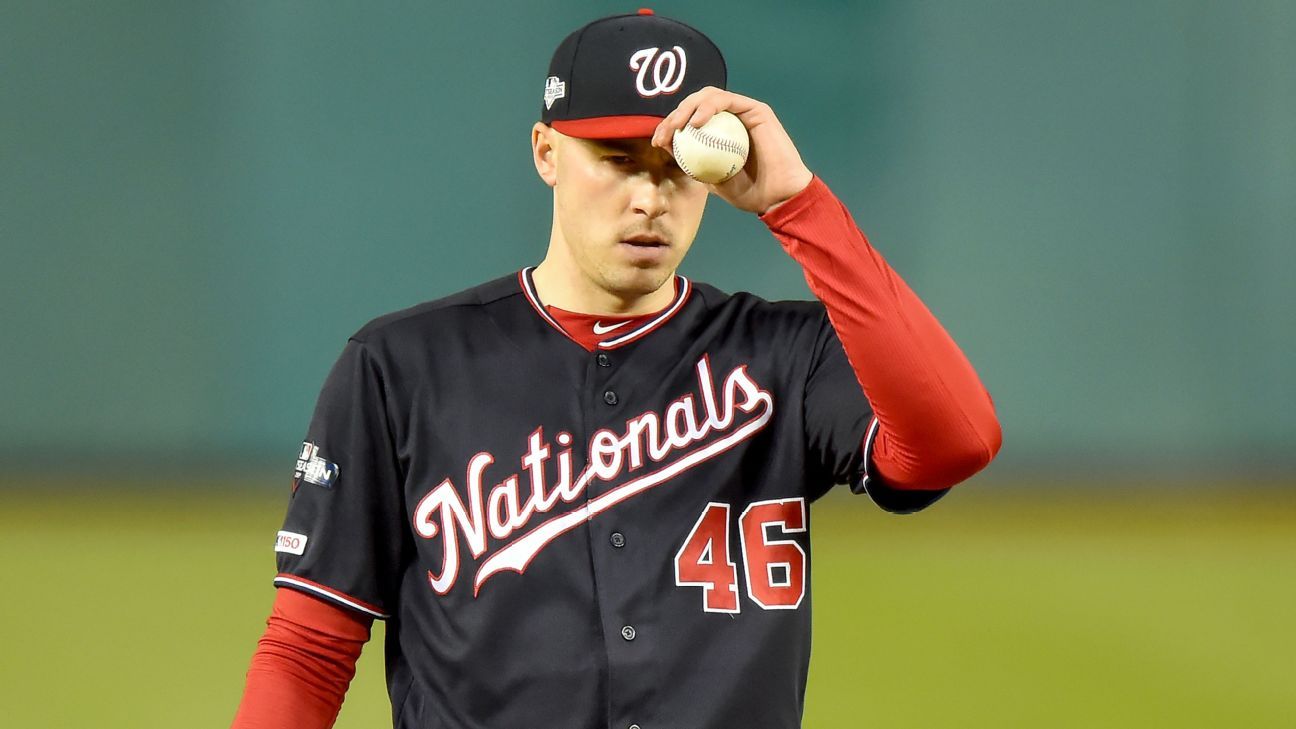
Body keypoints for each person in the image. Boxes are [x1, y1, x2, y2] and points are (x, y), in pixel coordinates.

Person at [231, 9, 1001, 729]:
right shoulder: (401, 367)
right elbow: (309, 649)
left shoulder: (785, 357)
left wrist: (798, 203)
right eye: (615, 159)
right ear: (546, 153)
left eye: (674, 166)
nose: (648, 198)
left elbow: (956, 440)